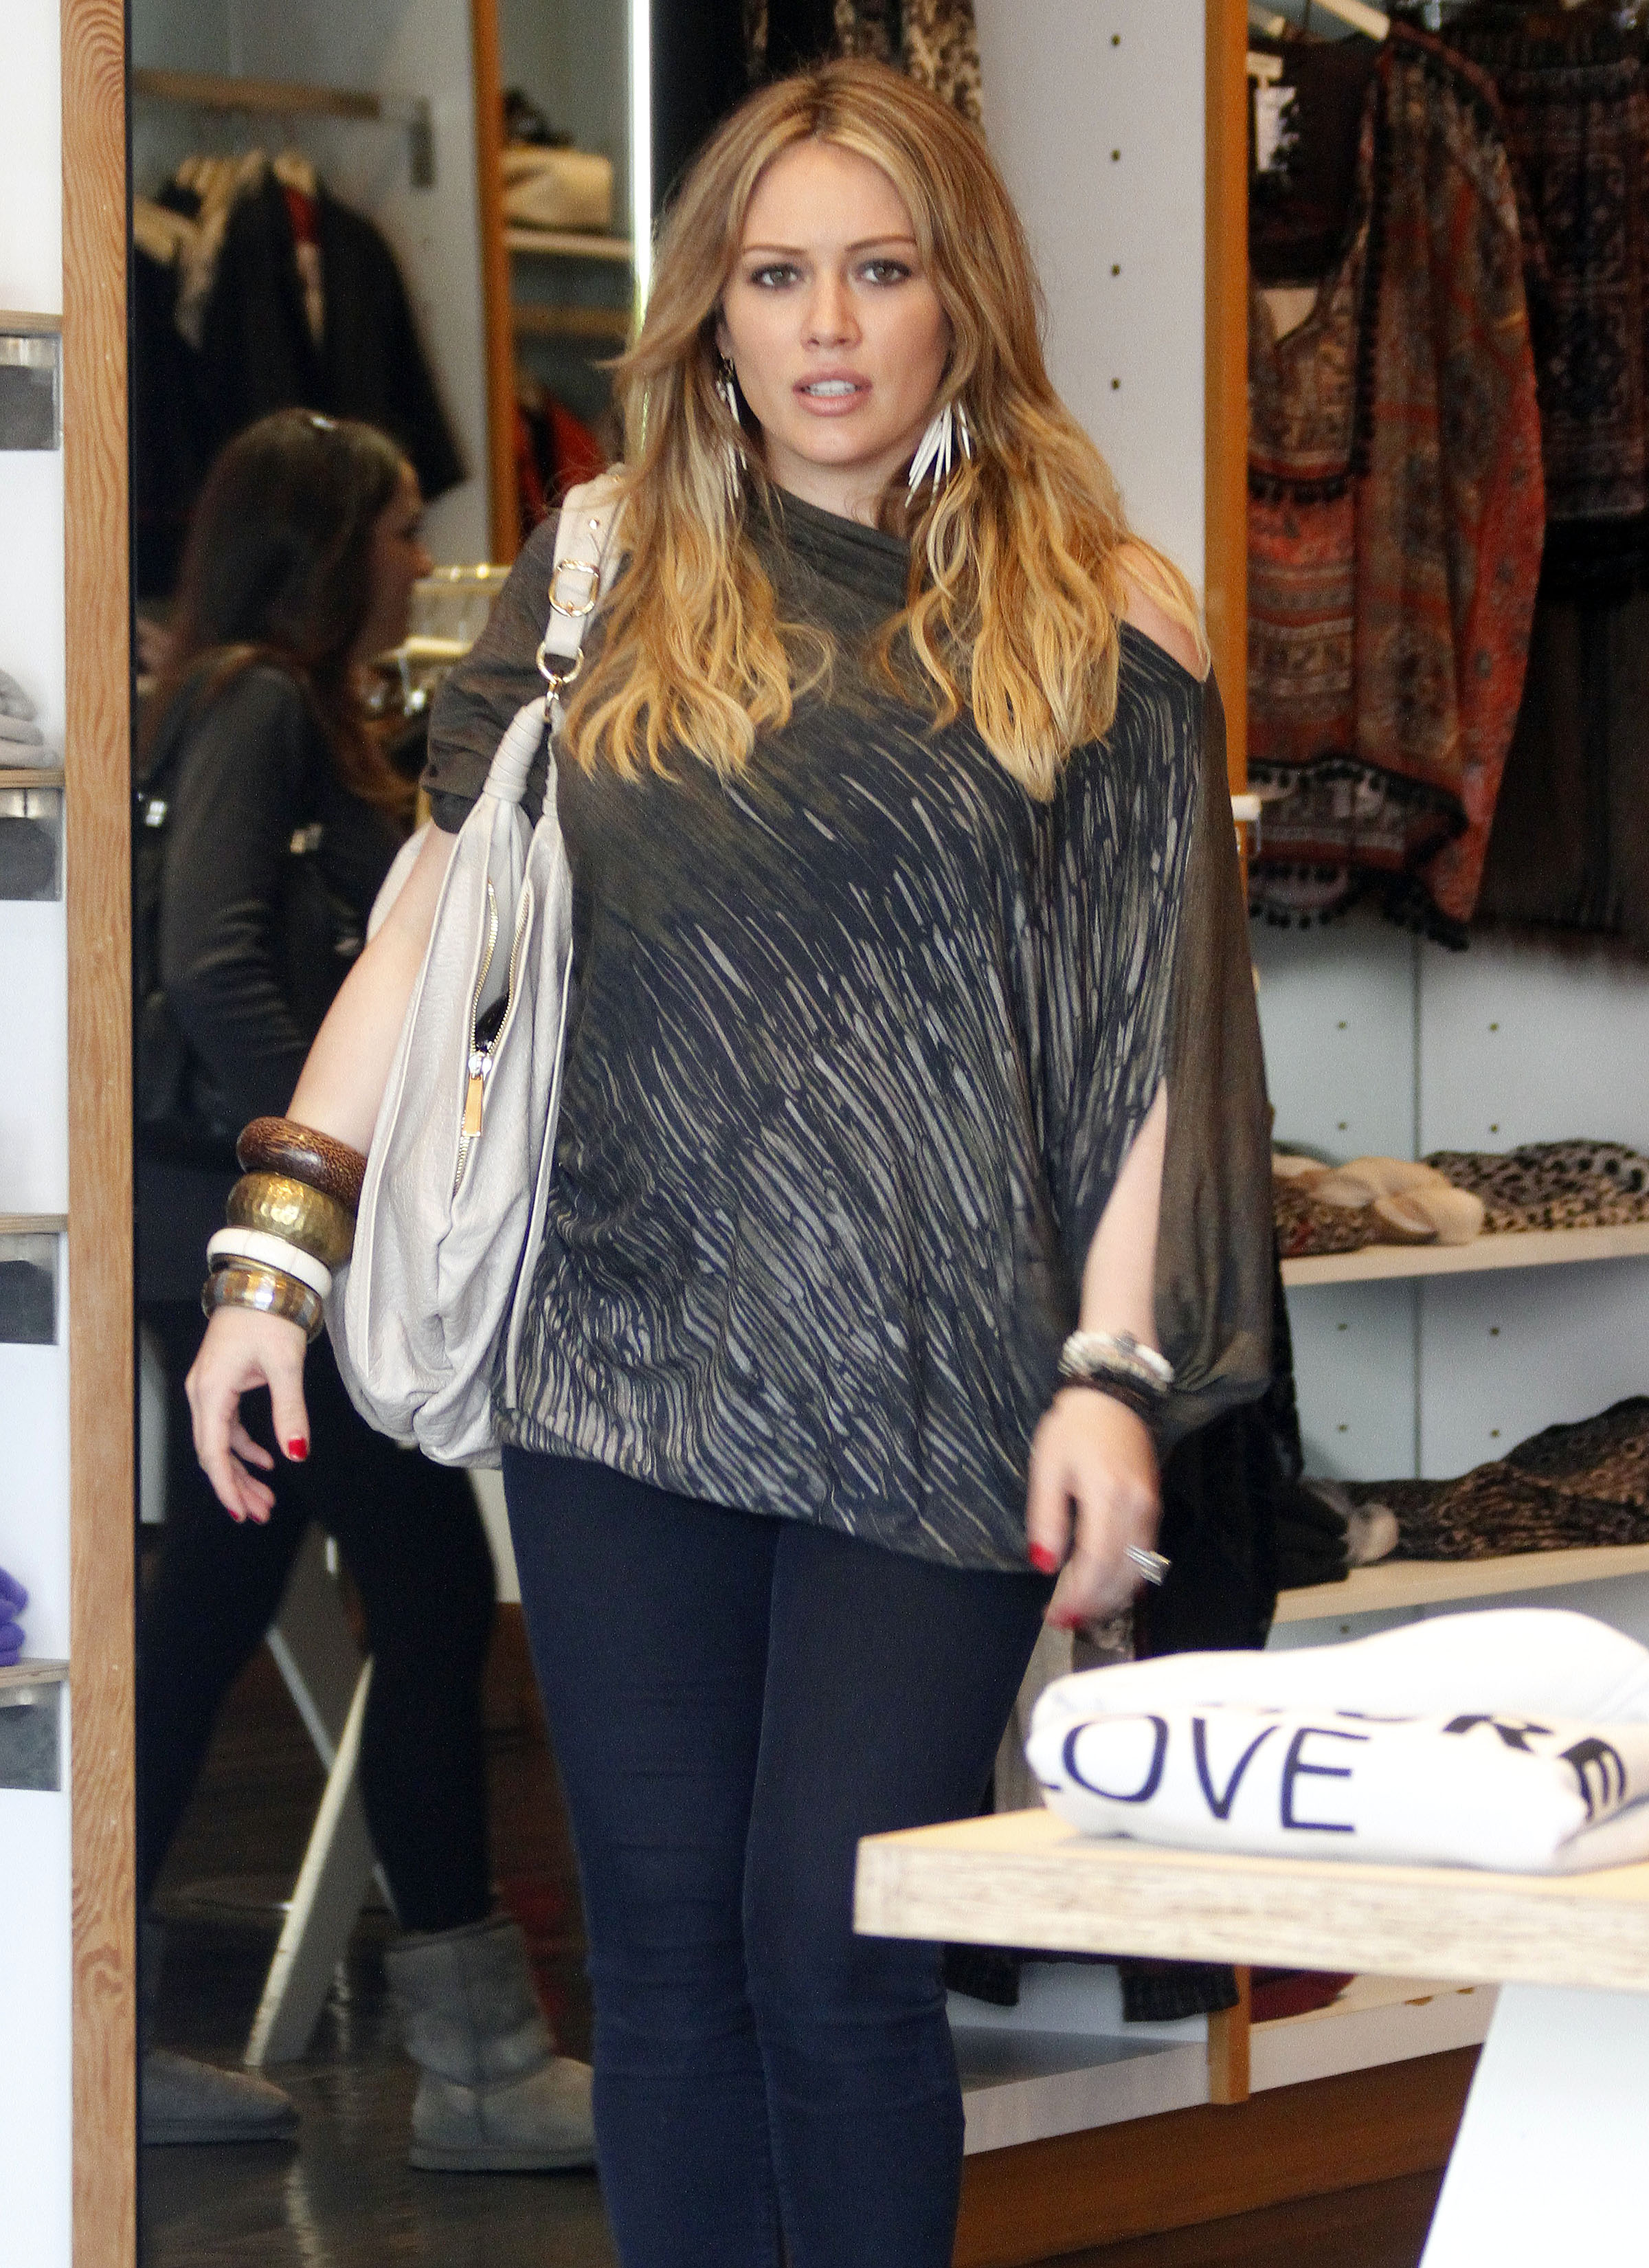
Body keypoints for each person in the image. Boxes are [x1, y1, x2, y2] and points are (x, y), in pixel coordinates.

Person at [187, 65, 1270, 2267]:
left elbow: (1146, 1036)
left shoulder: (1099, 607)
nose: (828, 328)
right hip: (624, 1345)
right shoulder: (603, 569)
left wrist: (1110, 1367)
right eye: (777, 277)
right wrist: (271, 1255)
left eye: (879, 270)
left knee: (833, 1944)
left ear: (963, 295)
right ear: (713, 309)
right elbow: (430, 921)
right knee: (668, 1956)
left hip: (944, 1366)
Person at [135, 408, 595, 2172]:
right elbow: (213, 964)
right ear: (332, 546)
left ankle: (88, 2014)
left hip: (223, 1230)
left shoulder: (255, 700)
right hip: (265, 1247)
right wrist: (339, 1179)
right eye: (401, 527)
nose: (420, 557)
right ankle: (477, 2064)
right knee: (423, 1593)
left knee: (215, 1604)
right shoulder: (259, 702)